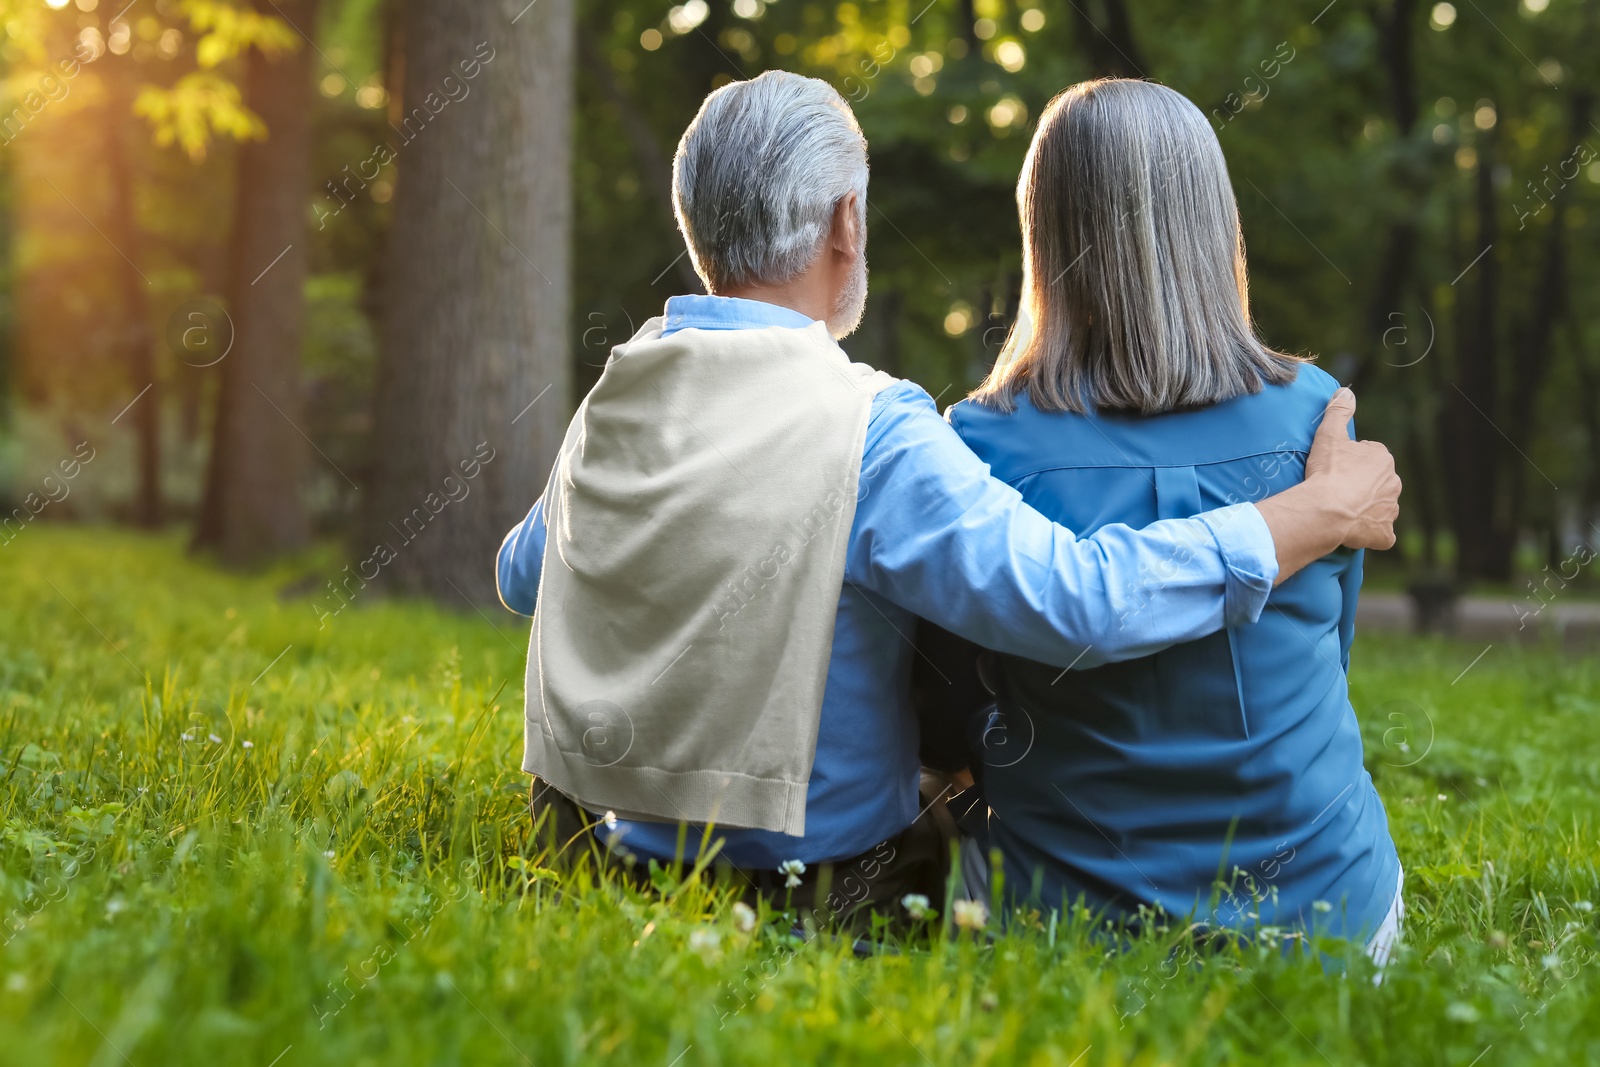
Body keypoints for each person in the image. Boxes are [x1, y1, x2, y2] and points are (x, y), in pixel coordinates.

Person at [495, 71, 1401, 928]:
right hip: (817, 884)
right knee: (941, 787)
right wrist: (1314, 514)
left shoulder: (614, 399)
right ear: (846, 222)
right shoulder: (873, 429)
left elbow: (524, 574)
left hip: (594, 850)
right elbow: (1077, 604)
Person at [931, 78, 1402, 959]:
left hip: (1069, 932)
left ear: (1047, 233)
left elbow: (961, 704)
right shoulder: (1319, 419)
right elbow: (1328, 654)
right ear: (1215, 224)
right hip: (1332, 921)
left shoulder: (978, 445)